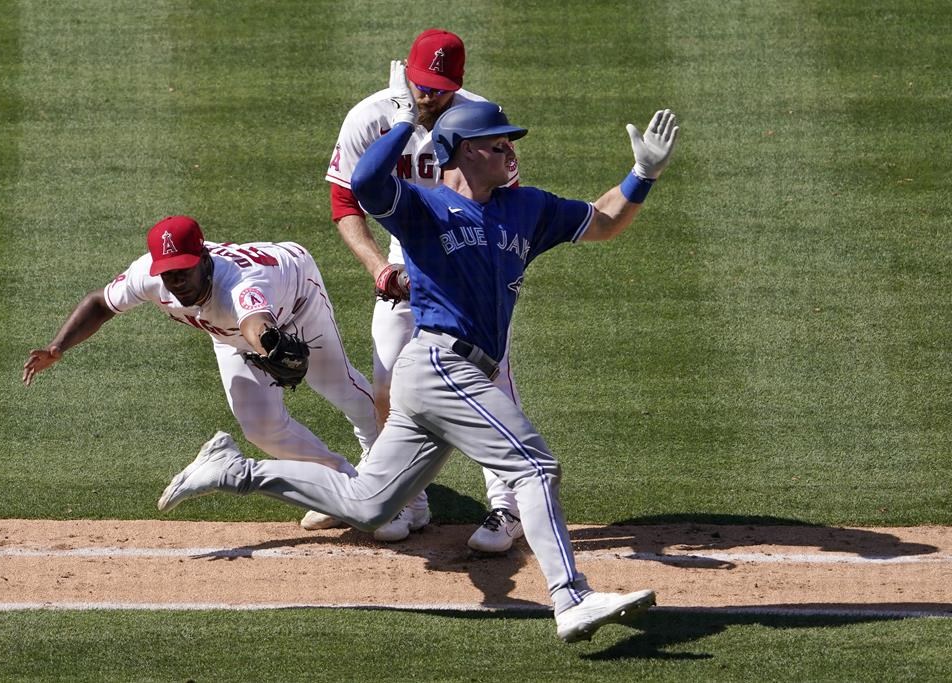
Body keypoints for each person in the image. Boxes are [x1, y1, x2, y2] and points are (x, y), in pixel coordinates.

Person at [156, 63, 679, 642]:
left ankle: (234, 470)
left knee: (369, 504)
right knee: (533, 465)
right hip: (439, 365)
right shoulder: (425, 208)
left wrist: (642, 174)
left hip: (443, 376)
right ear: (461, 150)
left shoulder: (525, 208)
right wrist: (406, 125)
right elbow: (366, 186)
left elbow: (602, 221)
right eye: (496, 141)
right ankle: (571, 598)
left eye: (510, 141)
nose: (510, 149)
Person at [323, 28, 525, 549]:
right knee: (386, 384)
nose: (429, 96)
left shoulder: (482, 121)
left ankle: (507, 507)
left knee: (489, 382)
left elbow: (505, 205)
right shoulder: (370, 117)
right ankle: (407, 501)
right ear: (407, 74)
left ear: (458, 83)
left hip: (470, 257)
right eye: (422, 85)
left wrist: (477, 271)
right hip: (401, 256)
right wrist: (378, 268)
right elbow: (344, 203)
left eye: (440, 88)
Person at [23, 215, 378, 493]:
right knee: (261, 427)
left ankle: (398, 487)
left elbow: (255, 320)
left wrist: (269, 345)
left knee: (340, 386)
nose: (176, 282)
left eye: (184, 271)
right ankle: (339, 482)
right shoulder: (148, 276)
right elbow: (101, 303)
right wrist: (58, 346)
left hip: (296, 300)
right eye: (168, 274)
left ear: (205, 259)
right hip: (229, 332)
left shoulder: (241, 284)